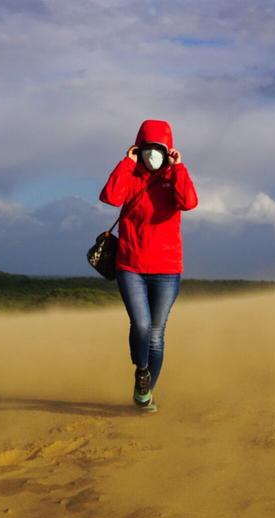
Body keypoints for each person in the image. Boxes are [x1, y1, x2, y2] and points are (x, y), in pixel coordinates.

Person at [99, 119, 198, 413]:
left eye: (159, 149)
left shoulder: (173, 177)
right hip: (130, 265)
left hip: (167, 269)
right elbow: (110, 197)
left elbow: (189, 202)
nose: (152, 154)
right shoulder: (130, 176)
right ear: (138, 148)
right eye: (147, 148)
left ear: (168, 151)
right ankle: (141, 371)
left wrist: (178, 168)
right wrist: (126, 163)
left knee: (156, 333)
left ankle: (145, 391)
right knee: (141, 325)